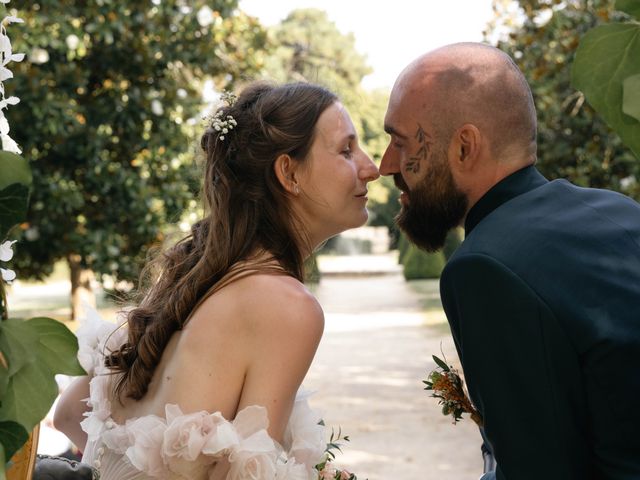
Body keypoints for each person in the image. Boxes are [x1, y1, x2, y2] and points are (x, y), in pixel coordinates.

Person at [54, 81, 379, 479]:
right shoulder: (287, 305)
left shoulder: (189, 279)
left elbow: (70, 413)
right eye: (346, 150)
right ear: (289, 173)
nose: (372, 167)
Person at [379, 42, 640, 479]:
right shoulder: (620, 210)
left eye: (401, 142)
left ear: (465, 147)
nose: (387, 164)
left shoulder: (485, 268)